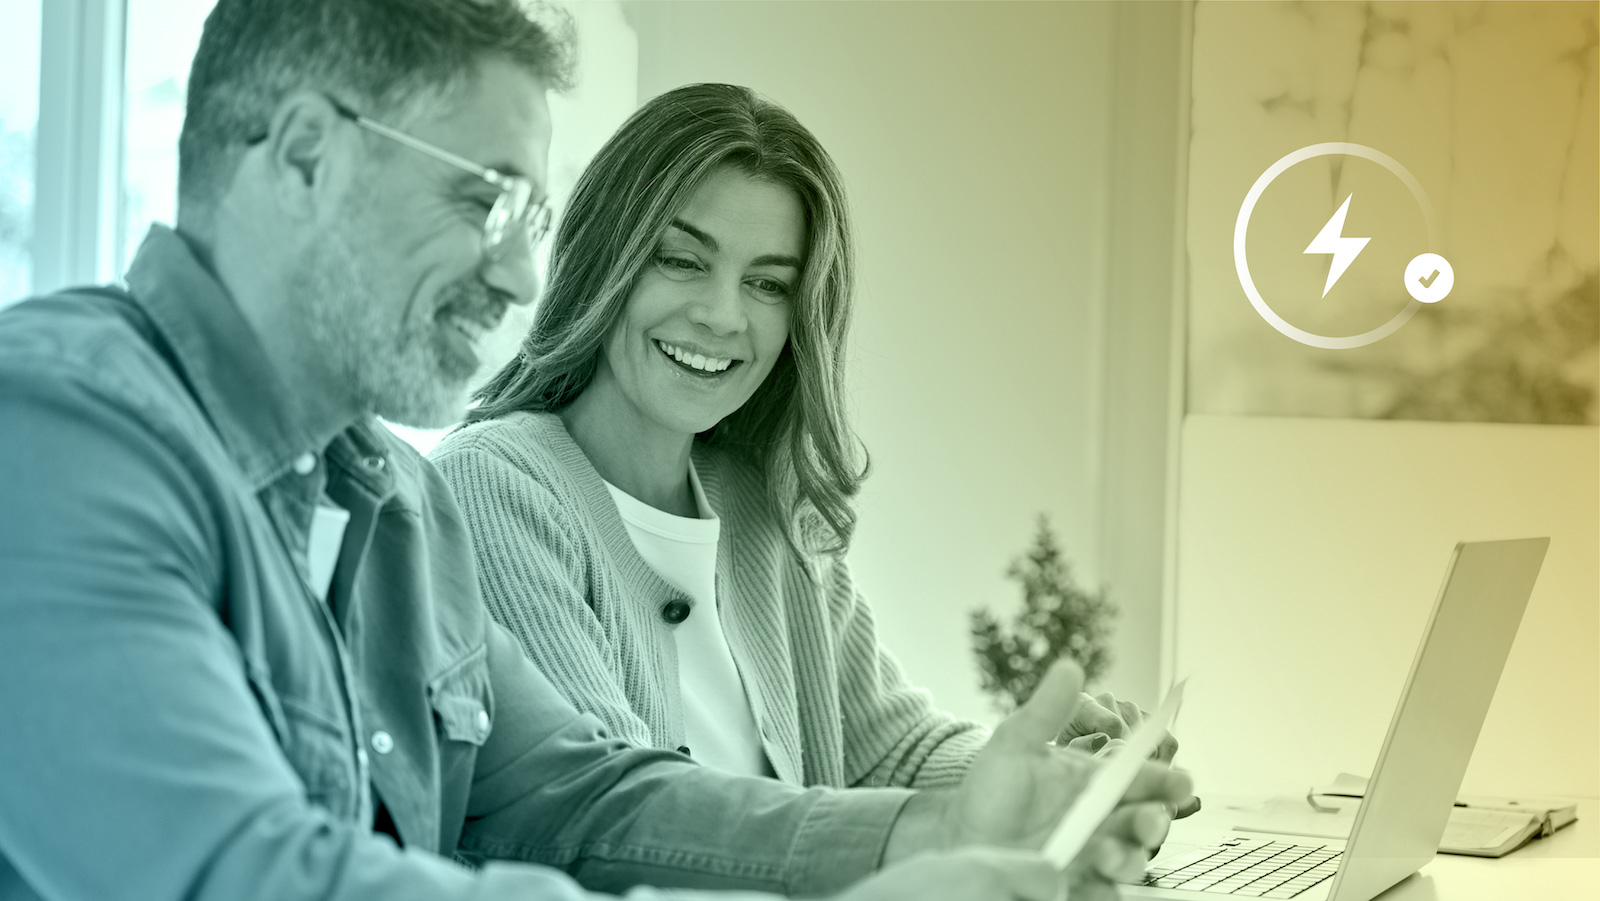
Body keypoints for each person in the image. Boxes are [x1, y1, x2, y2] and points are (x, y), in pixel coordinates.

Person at [0, 2, 1193, 900]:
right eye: (483, 200)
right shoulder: (54, 432)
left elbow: (584, 797)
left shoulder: (396, 502)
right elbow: (247, 874)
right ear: (307, 155)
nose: (524, 274)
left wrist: (940, 829)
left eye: (531, 217)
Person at [433, 83, 1182, 793]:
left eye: (768, 284)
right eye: (682, 261)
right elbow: (615, 813)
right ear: (602, 256)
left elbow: (893, 752)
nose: (723, 316)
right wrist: (962, 822)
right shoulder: (492, 488)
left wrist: (1048, 777)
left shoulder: (765, 506)